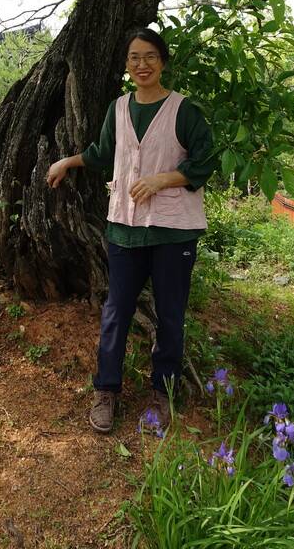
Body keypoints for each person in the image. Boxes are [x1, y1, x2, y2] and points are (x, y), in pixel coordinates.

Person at [47, 28, 214, 434]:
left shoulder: (183, 110)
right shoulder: (119, 109)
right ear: (126, 64)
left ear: (163, 61)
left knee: (170, 314)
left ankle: (163, 391)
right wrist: (68, 161)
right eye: (134, 58)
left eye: (150, 56)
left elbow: (204, 161)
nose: (142, 65)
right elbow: (104, 153)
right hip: (125, 227)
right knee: (116, 312)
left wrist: (161, 180)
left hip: (174, 232)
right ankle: (107, 391)